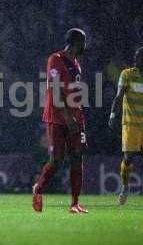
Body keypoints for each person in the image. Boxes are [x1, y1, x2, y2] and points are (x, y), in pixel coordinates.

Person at [32, 28, 89, 213]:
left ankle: (74, 203)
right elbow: (55, 90)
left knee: (77, 158)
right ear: (75, 42)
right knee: (56, 160)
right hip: (58, 118)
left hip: (76, 117)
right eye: (83, 41)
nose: (85, 45)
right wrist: (67, 117)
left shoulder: (76, 63)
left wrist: (78, 116)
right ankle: (38, 188)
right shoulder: (55, 59)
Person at [109, 46, 143, 206]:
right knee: (128, 157)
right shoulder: (127, 74)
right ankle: (124, 189)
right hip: (130, 124)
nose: (137, 60)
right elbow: (119, 96)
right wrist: (113, 114)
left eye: (141, 57)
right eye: (136, 56)